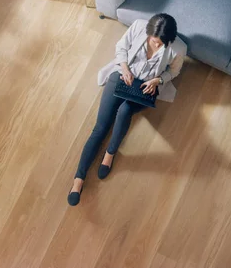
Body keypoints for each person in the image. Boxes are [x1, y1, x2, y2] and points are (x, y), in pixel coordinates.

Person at [68, 13, 187, 206]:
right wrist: (124, 68)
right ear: (148, 33)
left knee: (124, 111)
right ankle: (78, 180)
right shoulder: (139, 26)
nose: (156, 45)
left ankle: (110, 153)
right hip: (123, 76)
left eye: (160, 44)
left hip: (145, 88)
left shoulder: (178, 49)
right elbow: (121, 48)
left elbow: (174, 71)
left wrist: (158, 80)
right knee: (100, 127)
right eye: (153, 41)